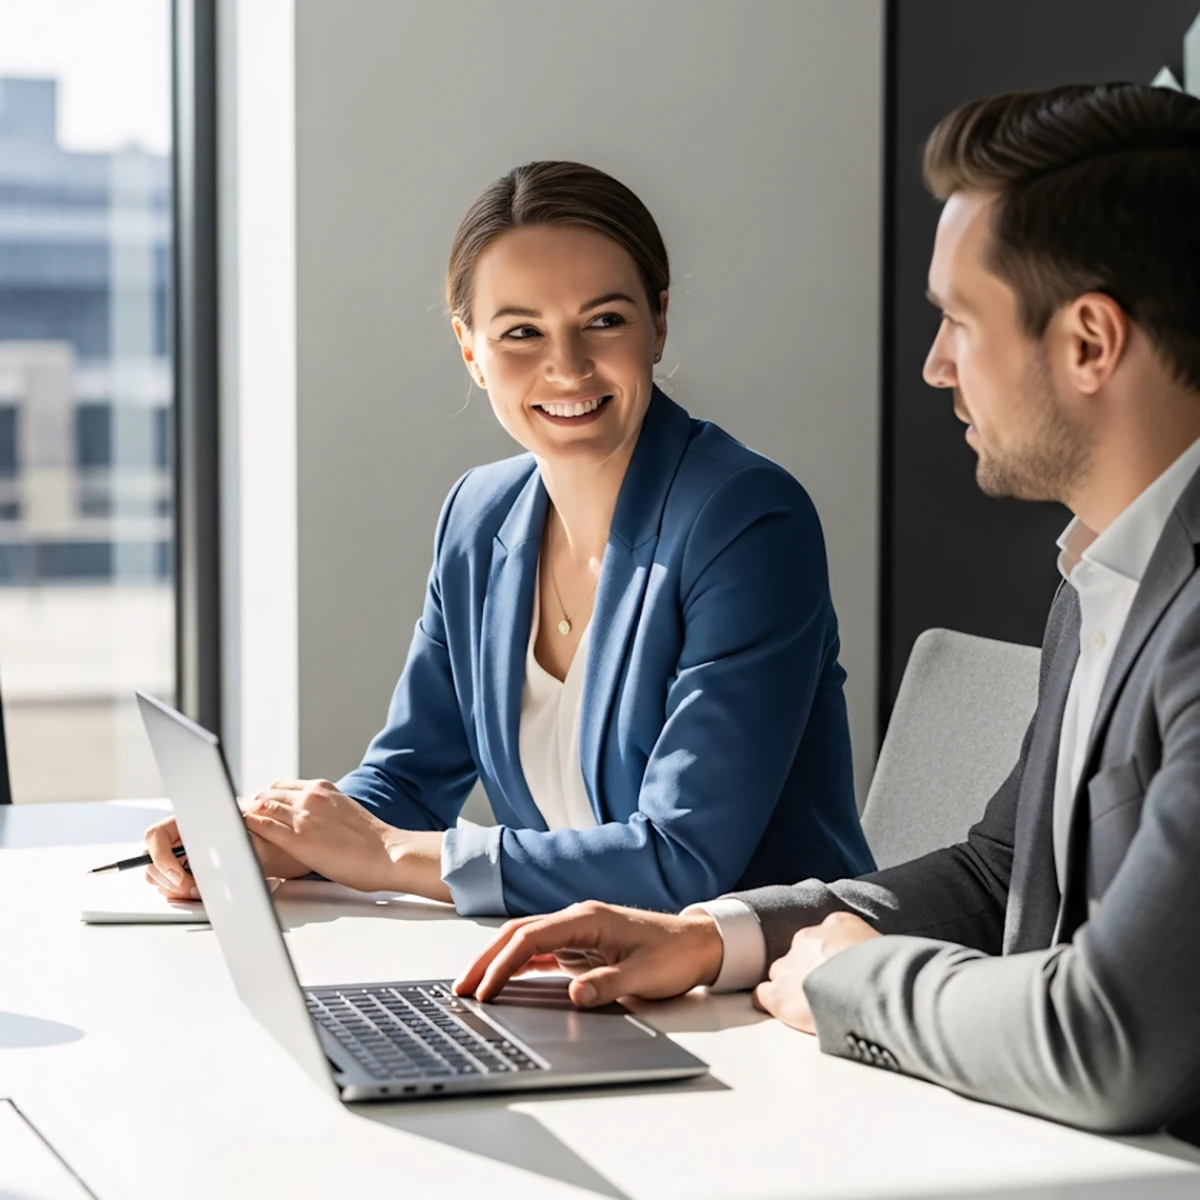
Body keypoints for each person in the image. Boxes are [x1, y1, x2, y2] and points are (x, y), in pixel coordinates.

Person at [455, 83, 1200, 1143]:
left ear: (1088, 343)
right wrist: (713, 939)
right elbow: (1001, 874)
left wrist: (861, 983)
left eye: (959, 320)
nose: (936, 364)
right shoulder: (1106, 579)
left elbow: (1112, 1038)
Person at [144, 160, 873, 917]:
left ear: (659, 322)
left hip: (761, 990)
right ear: (470, 348)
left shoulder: (747, 520)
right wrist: (269, 839)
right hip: (571, 974)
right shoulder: (479, 514)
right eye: (521, 332)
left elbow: (682, 859)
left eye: (605, 321)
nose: (566, 366)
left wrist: (384, 854)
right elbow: (406, 783)